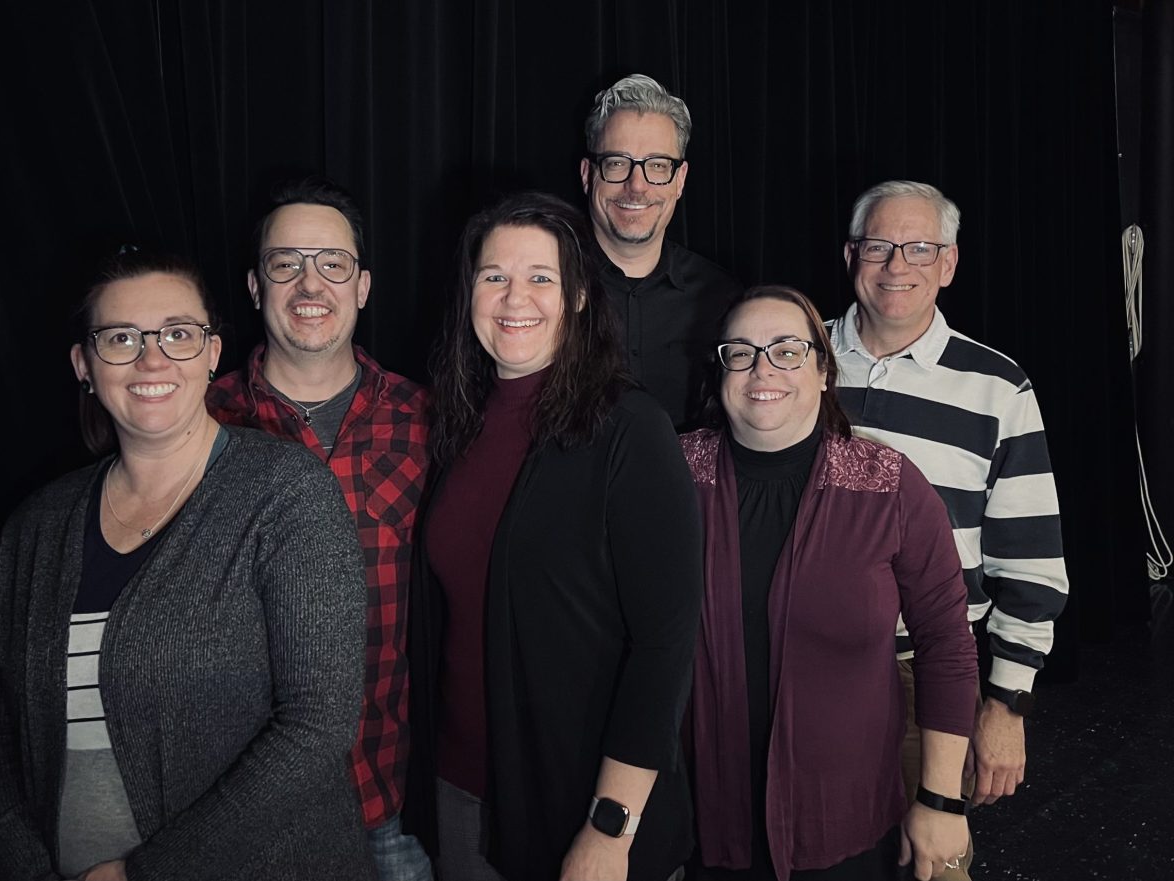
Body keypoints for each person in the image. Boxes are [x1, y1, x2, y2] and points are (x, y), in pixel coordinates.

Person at [0, 249, 373, 880]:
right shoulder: (35, 529)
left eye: (178, 334)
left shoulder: (287, 495)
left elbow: (317, 725)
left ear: (212, 353)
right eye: (121, 338)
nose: (152, 359)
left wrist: (146, 874)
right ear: (84, 365)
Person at [404, 192, 703, 881]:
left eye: (541, 277)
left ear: (577, 296)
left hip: (586, 810)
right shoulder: (458, 422)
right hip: (461, 793)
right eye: (494, 276)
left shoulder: (630, 429)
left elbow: (664, 647)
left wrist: (610, 826)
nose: (516, 298)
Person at [681, 286, 978, 881]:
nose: (763, 368)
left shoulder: (889, 486)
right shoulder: (671, 476)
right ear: (720, 371)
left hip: (847, 828)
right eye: (741, 352)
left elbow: (946, 642)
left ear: (823, 371)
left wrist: (940, 801)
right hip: (700, 822)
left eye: (787, 350)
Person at [830, 181, 1070, 879]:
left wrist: (1007, 704)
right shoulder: (794, 359)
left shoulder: (997, 387)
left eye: (919, 248)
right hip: (803, 665)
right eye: (879, 246)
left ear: (949, 263)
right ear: (851, 255)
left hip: (927, 675)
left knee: (932, 863)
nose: (896, 265)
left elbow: (1030, 559)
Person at [208, 177, 432, 881]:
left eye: (332, 263)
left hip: (390, 799)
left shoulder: (427, 421)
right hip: (239, 816)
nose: (311, 283)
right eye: (286, 263)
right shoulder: (201, 424)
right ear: (255, 286)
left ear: (362, 286)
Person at [580, 73, 741, 430]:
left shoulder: (723, 298)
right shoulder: (543, 288)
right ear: (588, 175)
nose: (637, 186)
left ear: (679, 180)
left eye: (657, 165)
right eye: (617, 162)